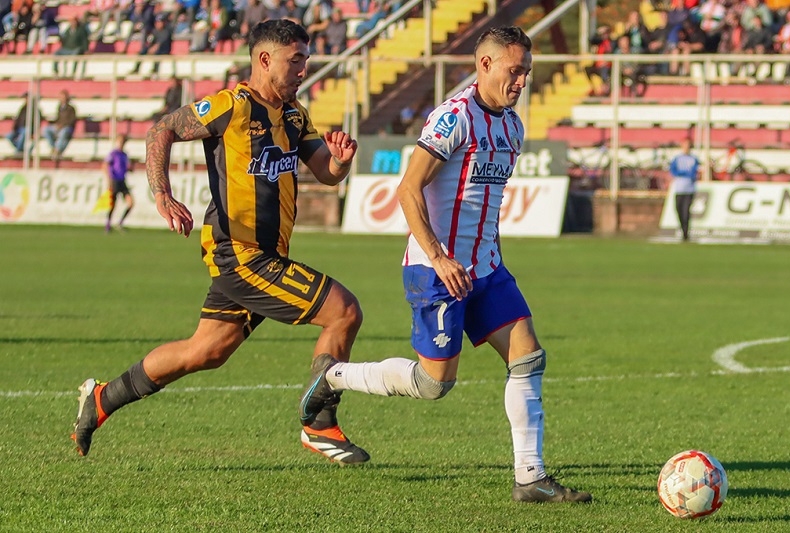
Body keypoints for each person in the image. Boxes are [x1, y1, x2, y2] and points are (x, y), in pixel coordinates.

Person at [298, 26, 592, 503]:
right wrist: (438, 256)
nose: (521, 82)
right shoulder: (454, 116)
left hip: (487, 269)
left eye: (527, 73)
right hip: (437, 272)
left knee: (529, 357)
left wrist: (486, 258)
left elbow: (482, 203)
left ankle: (530, 478)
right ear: (486, 65)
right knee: (433, 385)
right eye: (514, 71)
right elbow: (408, 189)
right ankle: (332, 375)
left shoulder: (514, 128)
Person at [71, 19, 369, 466]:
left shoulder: (293, 114)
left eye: (306, 59)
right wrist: (161, 192)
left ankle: (101, 399)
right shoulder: (230, 106)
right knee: (343, 312)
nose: (304, 69)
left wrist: (341, 162)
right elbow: (161, 130)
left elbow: (325, 173)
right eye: (296, 60)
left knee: (206, 350)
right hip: (241, 255)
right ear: (265, 60)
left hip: (266, 255)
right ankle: (319, 424)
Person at [669, 137, 700, 241]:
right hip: (679, 189)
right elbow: (673, 170)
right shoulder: (677, 159)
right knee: (678, 209)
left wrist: (685, 174)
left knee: (686, 211)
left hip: (689, 189)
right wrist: (682, 173)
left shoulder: (693, 159)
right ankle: (683, 229)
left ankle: (685, 233)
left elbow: (694, 172)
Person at [43, 89, 77, 162]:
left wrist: (62, 125)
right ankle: (54, 148)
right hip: (59, 126)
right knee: (46, 130)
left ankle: (57, 150)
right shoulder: (59, 107)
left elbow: (72, 121)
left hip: (67, 127)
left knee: (63, 132)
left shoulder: (71, 108)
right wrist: (54, 123)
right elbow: (58, 119)